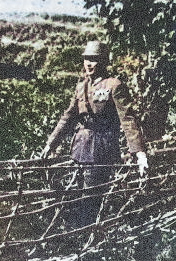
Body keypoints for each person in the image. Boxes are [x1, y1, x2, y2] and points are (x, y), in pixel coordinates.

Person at [41, 41, 148, 226]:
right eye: (87, 59)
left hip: (101, 151)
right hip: (79, 149)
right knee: (75, 196)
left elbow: (127, 119)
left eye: (94, 60)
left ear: (104, 61)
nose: (89, 64)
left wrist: (139, 152)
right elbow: (68, 117)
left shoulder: (114, 85)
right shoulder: (81, 86)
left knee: (91, 199)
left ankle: (87, 239)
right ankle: (78, 235)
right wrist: (51, 144)